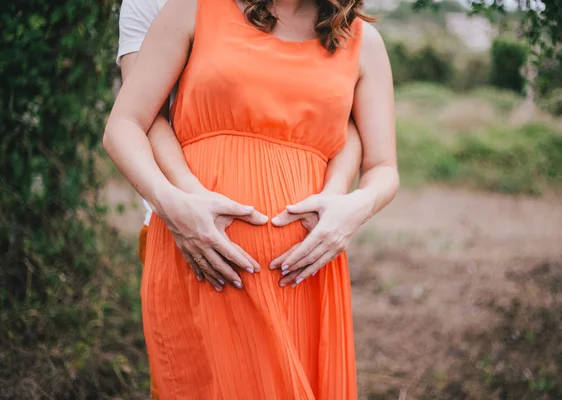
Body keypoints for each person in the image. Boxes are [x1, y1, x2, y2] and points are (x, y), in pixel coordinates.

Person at [104, 0, 398, 396]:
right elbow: (125, 124)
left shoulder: (364, 43)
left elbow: (383, 167)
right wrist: (171, 203)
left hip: (305, 273)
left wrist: (353, 208)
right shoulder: (191, 9)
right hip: (203, 258)